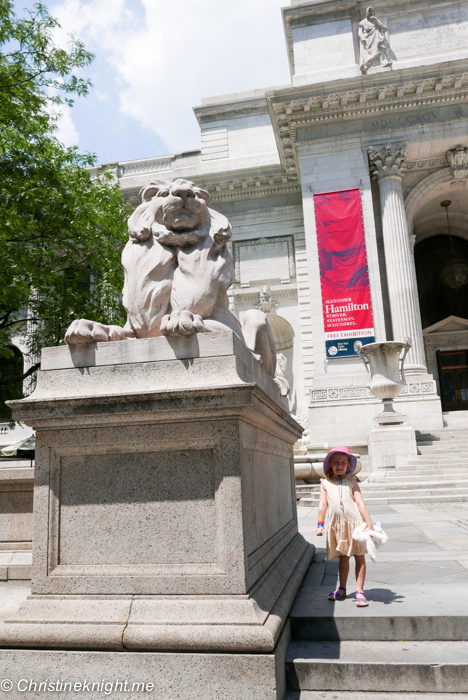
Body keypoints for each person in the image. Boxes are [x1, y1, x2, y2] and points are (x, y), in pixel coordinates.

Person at [316, 446, 374, 607]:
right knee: (344, 557)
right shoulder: (325, 483)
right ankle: (342, 588)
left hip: (356, 526)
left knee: (360, 556)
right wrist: (320, 524)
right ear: (330, 464)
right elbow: (322, 505)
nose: (340, 465)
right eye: (336, 462)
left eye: (343, 462)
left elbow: (361, 504)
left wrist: (369, 525)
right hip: (339, 526)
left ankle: (359, 591)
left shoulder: (352, 482)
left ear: (348, 465)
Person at [358, 6, 393, 75]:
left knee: (377, 50)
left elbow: (384, 28)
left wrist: (376, 20)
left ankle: (383, 61)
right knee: (368, 54)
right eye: (370, 11)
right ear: (367, 13)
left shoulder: (375, 20)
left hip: (375, 38)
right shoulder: (362, 22)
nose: (371, 13)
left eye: (372, 11)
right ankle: (366, 66)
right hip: (367, 40)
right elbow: (360, 32)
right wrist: (362, 38)